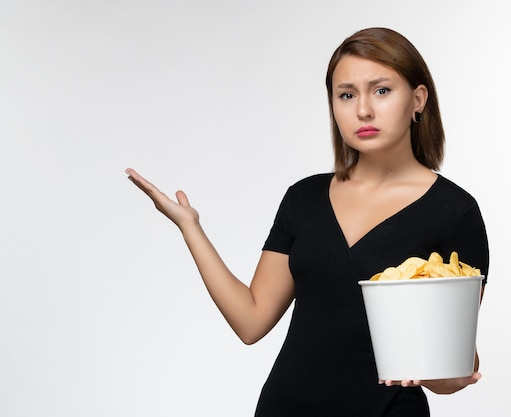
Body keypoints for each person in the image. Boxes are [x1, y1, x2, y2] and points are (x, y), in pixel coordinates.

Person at [126, 27, 489, 417]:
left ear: (418, 99)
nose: (363, 110)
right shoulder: (304, 198)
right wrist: (190, 228)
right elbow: (251, 320)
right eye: (346, 95)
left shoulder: (454, 211)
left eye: (381, 90)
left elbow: (450, 372)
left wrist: (450, 371)